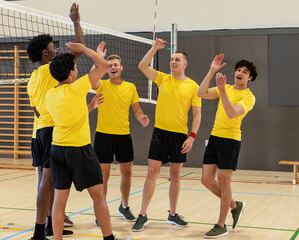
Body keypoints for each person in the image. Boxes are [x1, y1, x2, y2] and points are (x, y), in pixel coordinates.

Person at [45, 42, 117, 240]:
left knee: (60, 199)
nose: (77, 71)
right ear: (70, 74)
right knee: (98, 196)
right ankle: (109, 238)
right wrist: (84, 49)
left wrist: (90, 107)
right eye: (75, 68)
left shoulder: (50, 95)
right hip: (79, 151)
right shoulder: (77, 89)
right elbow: (103, 67)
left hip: (58, 150)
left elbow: (71, 117)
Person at [132, 38, 201, 232]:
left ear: (185, 64)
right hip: (160, 133)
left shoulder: (193, 87)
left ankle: (172, 214)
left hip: (180, 136)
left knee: (176, 175)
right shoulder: (163, 78)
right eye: (171, 59)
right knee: (152, 173)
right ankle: (143, 214)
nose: (173, 62)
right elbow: (142, 65)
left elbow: (197, 115)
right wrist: (155, 48)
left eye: (177, 59)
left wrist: (192, 137)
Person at [26, 3, 82, 239]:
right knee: (47, 182)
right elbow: (78, 50)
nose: (57, 50)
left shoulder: (33, 77)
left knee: (45, 182)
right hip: (49, 131)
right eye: (53, 47)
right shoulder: (51, 70)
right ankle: (40, 231)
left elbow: (36, 111)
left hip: (37, 133)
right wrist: (76, 21)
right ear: (45, 54)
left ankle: (49, 224)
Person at [197, 54, 257, 238]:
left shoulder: (248, 97)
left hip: (231, 140)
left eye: (245, 72)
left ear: (250, 78)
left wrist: (222, 91)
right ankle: (234, 205)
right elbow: (201, 93)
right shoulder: (227, 87)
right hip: (215, 137)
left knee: (224, 180)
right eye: (238, 70)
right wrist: (212, 70)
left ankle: (221, 224)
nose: (240, 73)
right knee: (206, 180)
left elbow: (232, 114)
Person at [92, 53, 149, 225]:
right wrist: (97, 58)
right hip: (103, 135)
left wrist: (141, 117)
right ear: (107, 69)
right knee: (103, 176)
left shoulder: (130, 87)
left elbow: (137, 110)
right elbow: (91, 79)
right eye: (110, 65)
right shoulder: (101, 84)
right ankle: (101, 211)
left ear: (121, 67)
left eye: (116, 65)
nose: (113, 67)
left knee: (127, 172)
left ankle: (124, 206)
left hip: (123, 135)